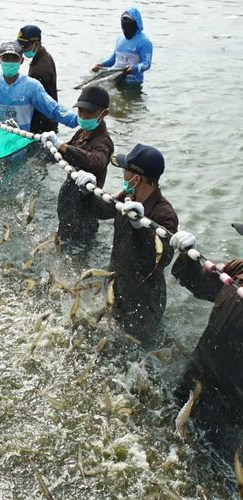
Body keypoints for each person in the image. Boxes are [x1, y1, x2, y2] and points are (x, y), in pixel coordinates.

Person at [74, 144, 178, 343]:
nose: (123, 175)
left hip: (144, 299)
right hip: (118, 283)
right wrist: (88, 192)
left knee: (136, 350)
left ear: (136, 178)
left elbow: (164, 258)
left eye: (125, 170)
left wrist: (141, 229)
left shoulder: (164, 214)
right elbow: (104, 211)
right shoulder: (128, 197)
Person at [169, 226, 243, 459]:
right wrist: (187, 255)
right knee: (168, 428)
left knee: (212, 460)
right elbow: (197, 284)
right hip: (198, 372)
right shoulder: (238, 270)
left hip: (231, 400)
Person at [40, 85, 114, 247]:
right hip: (68, 211)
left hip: (83, 219)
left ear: (104, 114)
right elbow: (63, 154)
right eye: (81, 111)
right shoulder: (82, 133)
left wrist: (62, 146)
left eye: (90, 112)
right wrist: (47, 147)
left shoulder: (103, 142)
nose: (84, 116)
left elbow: (96, 161)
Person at [91, 8, 153, 86]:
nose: (125, 23)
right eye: (124, 20)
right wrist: (101, 65)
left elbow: (146, 64)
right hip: (114, 77)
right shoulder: (120, 38)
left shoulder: (145, 42)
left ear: (136, 23)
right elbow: (113, 59)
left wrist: (134, 68)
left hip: (132, 82)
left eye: (128, 21)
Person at [17, 25, 59, 134]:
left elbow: (32, 100)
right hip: (49, 118)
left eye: (24, 47)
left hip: (42, 123)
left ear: (36, 44)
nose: (22, 51)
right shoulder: (44, 56)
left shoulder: (40, 69)